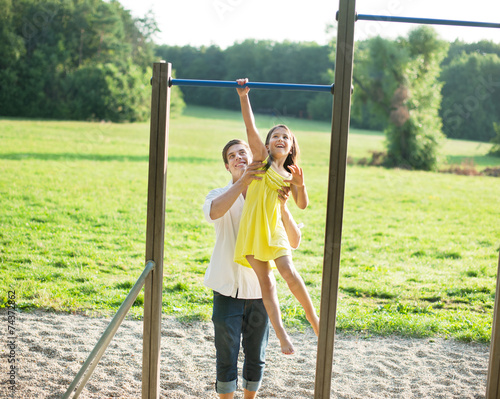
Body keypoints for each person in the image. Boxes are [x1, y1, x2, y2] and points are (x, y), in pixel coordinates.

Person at [203, 139, 302, 399]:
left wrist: (282, 206)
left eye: (243, 153)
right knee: (226, 355)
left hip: (259, 292)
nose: (238, 158)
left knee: (256, 355)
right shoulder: (217, 194)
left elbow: (294, 241)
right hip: (226, 289)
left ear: (255, 157)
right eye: (232, 156)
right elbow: (214, 212)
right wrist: (243, 183)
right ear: (227, 166)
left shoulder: (270, 195)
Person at [233, 78, 320, 355]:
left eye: (286, 136)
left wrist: (301, 184)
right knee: (267, 284)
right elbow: (250, 128)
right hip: (253, 230)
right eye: (275, 136)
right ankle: (282, 334)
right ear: (268, 146)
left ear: (291, 147)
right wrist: (244, 96)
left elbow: (302, 205)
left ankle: (315, 320)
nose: (280, 138)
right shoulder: (261, 161)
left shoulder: (292, 174)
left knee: (288, 272)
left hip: (275, 230)